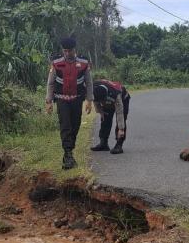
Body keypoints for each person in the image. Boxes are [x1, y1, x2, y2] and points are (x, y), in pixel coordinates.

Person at [46, 37, 93, 169]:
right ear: (63, 50)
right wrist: (49, 101)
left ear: (74, 50)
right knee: (65, 125)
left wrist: (89, 100)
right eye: (65, 51)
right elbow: (50, 83)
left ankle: (69, 152)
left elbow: (89, 83)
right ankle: (68, 154)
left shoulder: (84, 63)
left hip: (77, 99)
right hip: (61, 99)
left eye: (70, 51)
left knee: (75, 125)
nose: (67, 53)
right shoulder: (56, 63)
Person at [90, 79, 130, 154]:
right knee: (105, 118)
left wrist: (121, 129)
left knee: (121, 121)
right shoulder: (94, 87)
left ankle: (119, 145)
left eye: (102, 101)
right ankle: (103, 143)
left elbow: (120, 113)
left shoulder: (116, 94)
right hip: (108, 98)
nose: (101, 102)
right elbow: (96, 102)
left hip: (123, 99)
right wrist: (101, 112)